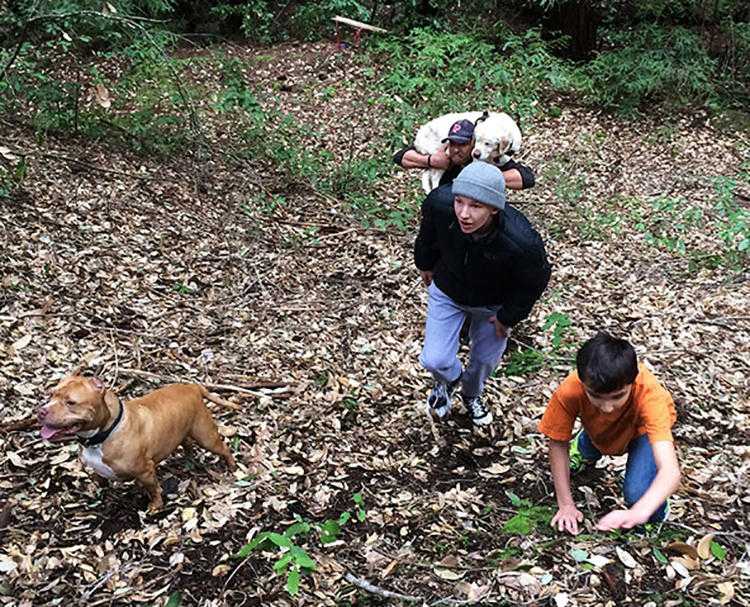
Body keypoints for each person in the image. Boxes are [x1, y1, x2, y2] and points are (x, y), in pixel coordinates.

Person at [415, 162, 550, 426]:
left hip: (493, 304)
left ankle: (471, 394)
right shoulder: (440, 205)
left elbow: (533, 282)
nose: (464, 214)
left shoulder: (521, 241)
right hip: (449, 290)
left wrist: (508, 317)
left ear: (494, 208)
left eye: (475, 206)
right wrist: (424, 263)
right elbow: (427, 236)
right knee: (435, 359)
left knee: (484, 361)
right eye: (460, 202)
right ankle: (449, 380)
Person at [538, 333, 681, 534]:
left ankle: (656, 515)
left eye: (618, 396)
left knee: (638, 493)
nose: (607, 407)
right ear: (582, 382)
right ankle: (584, 446)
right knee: (601, 431)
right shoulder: (570, 390)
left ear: (633, 381)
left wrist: (638, 512)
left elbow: (670, 471)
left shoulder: (651, 396)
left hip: (642, 430)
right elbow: (558, 442)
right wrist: (566, 505)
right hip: (598, 428)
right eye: (595, 395)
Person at [393, 118, 535, 190]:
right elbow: (400, 157)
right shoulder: (446, 156)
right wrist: (430, 161)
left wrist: (484, 178)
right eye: (453, 143)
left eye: (462, 145)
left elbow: (527, 178)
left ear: (471, 143)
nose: (456, 149)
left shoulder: (486, 159)